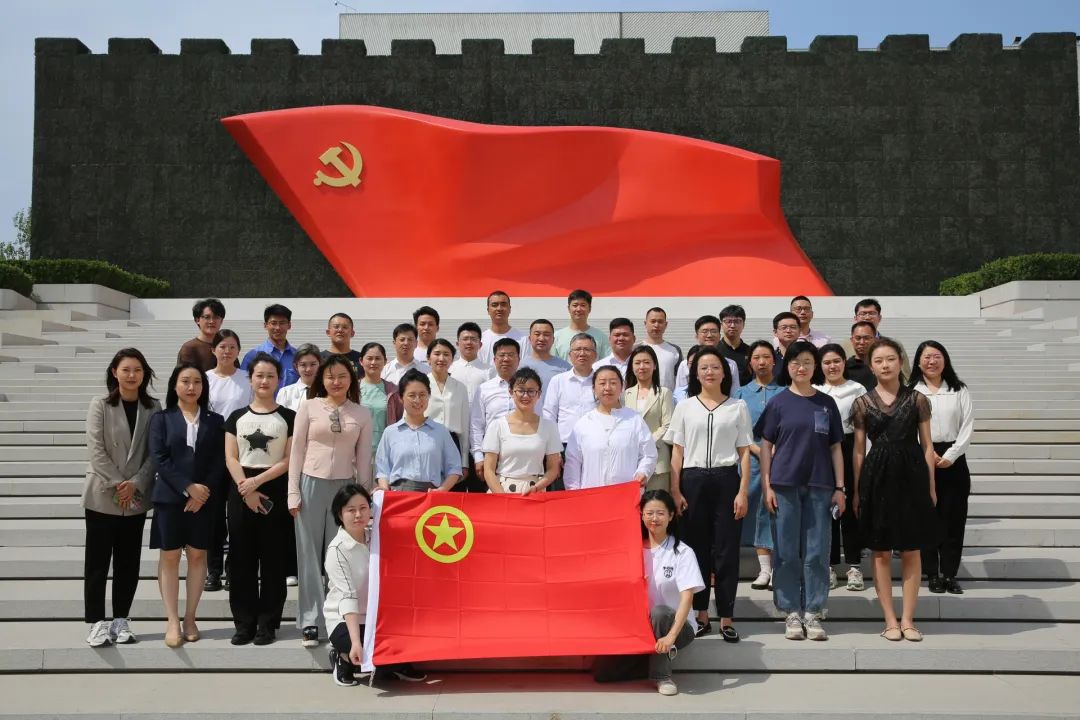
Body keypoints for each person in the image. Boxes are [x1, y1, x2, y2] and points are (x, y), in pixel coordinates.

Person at [756, 341, 844, 642]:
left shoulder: (826, 403)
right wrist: (767, 485)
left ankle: (814, 611)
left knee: (817, 552)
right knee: (786, 551)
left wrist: (840, 487)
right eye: (795, 362)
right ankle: (791, 610)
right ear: (788, 366)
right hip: (784, 485)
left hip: (820, 485)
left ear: (815, 366)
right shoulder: (778, 403)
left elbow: (835, 448)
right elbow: (766, 446)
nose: (801, 367)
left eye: (807, 361)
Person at [852, 338, 937, 642]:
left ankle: (908, 619)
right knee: (881, 551)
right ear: (871, 366)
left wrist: (931, 484)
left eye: (890, 359)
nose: (885, 365)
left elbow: (927, 446)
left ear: (901, 361)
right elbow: (858, 451)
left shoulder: (917, 400)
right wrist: (857, 490)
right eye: (878, 360)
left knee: (912, 549)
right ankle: (890, 620)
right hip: (877, 476)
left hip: (912, 475)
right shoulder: (862, 403)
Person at [665, 346, 751, 642]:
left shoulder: (737, 406)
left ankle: (726, 616)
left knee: (727, 550)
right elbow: (677, 453)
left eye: (715, 367)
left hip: (727, 480)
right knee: (696, 549)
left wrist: (742, 491)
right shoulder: (685, 407)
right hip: (693, 480)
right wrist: (676, 490)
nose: (710, 372)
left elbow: (744, 453)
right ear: (695, 374)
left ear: (724, 373)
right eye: (703, 368)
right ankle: (700, 615)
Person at [289, 355, 374, 648]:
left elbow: (364, 458)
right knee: (309, 554)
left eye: (342, 376)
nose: (336, 382)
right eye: (330, 376)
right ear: (321, 379)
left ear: (351, 380)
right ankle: (310, 620)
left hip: (344, 488)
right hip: (310, 483)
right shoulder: (309, 407)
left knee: (338, 553)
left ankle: (338, 618)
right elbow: (297, 450)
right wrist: (292, 491)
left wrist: (364, 499)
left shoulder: (361, 413)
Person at [591, 490, 704, 696]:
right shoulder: (631, 550)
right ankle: (653, 658)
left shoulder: (682, 552)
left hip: (676, 627)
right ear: (641, 515)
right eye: (649, 513)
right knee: (602, 672)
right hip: (640, 629)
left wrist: (670, 637)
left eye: (660, 513)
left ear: (671, 516)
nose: (654, 519)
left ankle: (662, 676)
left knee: (660, 612)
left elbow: (687, 598)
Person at [82, 348, 160, 647]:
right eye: (126, 369)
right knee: (98, 562)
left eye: (137, 370)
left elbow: (154, 452)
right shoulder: (100, 404)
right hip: (103, 494)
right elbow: (96, 449)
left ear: (144, 374)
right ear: (115, 372)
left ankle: (121, 620)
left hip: (135, 497)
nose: (131, 375)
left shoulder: (152, 407)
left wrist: (136, 483)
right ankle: (96, 622)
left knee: (128, 562)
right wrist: (118, 484)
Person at [148, 363, 225, 648]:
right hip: (169, 498)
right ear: (175, 385)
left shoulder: (215, 420)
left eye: (197, 382)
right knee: (169, 556)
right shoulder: (161, 419)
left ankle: (191, 617)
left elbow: (219, 460)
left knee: (197, 556)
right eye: (185, 381)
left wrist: (201, 492)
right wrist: (187, 487)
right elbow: (159, 457)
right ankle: (172, 619)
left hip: (204, 500)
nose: (191, 387)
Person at [224, 353, 295, 645]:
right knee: (241, 560)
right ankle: (244, 623)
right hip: (241, 489)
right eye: (259, 375)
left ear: (279, 380)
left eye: (270, 376)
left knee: (273, 561)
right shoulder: (236, 417)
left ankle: (268, 623)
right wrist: (247, 487)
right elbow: (230, 456)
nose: (264, 381)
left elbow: (289, 458)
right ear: (250, 379)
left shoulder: (289, 417)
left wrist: (258, 482)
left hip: (274, 488)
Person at [323, 484, 426, 686]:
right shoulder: (337, 550)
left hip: (378, 618)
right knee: (372, 651)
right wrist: (355, 643)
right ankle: (343, 658)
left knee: (397, 646)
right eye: (351, 510)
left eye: (363, 508)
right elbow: (348, 598)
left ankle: (391, 664)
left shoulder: (377, 537)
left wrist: (383, 496)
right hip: (345, 620)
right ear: (340, 514)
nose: (358, 515)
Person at [911, 340, 974, 596]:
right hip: (922, 456)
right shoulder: (912, 391)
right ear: (918, 362)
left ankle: (949, 574)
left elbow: (967, 425)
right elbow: (909, 427)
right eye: (926, 357)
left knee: (953, 519)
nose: (932, 361)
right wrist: (928, 452)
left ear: (944, 360)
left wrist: (951, 454)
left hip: (954, 459)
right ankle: (932, 574)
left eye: (936, 356)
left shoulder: (959, 389)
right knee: (927, 519)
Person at [814, 343, 868, 591]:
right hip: (821, 451)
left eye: (836, 361)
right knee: (826, 510)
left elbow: (862, 429)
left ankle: (854, 566)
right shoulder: (814, 389)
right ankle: (829, 565)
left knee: (850, 508)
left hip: (849, 448)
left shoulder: (857, 389)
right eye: (826, 362)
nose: (832, 366)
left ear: (844, 362)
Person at [731, 340, 783, 591]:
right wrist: (759, 450)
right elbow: (738, 431)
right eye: (756, 357)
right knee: (757, 511)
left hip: (781, 460)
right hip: (750, 460)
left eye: (766, 357)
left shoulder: (785, 392)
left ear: (774, 360)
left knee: (778, 510)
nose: (761, 362)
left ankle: (779, 568)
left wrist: (776, 451)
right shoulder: (740, 394)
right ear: (749, 362)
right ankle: (764, 569)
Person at [205, 329, 251, 593]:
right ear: (213, 350)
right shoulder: (205, 379)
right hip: (212, 455)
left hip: (242, 455)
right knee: (213, 517)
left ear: (238, 351)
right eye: (222, 346)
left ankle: (235, 568)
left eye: (232, 347)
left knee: (237, 516)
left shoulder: (247, 378)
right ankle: (213, 570)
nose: (227, 351)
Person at [564, 366, 657, 490]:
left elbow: (648, 454)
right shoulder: (583, 424)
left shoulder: (634, 420)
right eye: (602, 383)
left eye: (613, 383)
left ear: (622, 387)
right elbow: (573, 463)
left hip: (626, 493)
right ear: (593, 388)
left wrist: (643, 472)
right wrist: (574, 492)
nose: (607, 388)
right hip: (591, 494)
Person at [376, 370, 463, 492]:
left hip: (431, 495)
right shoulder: (390, 432)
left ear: (428, 396)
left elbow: (454, 468)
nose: (417, 400)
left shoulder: (441, 431)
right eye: (412, 395)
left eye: (422, 395)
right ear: (401, 398)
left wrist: (442, 490)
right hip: (399, 495)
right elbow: (382, 470)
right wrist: (385, 490)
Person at [481, 367, 563, 494]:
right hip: (501, 491)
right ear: (511, 392)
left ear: (539, 394)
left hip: (535, 491)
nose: (525, 396)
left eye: (531, 391)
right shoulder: (497, 425)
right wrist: (503, 497)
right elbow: (489, 470)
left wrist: (536, 488)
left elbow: (553, 469)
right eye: (521, 390)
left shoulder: (549, 427)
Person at [622, 346, 674, 492]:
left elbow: (668, 425)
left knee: (657, 502)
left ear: (654, 366)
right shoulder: (625, 394)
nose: (642, 366)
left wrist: (647, 443)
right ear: (632, 367)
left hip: (659, 460)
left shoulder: (664, 393)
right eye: (637, 363)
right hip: (631, 461)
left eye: (646, 362)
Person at [469, 338, 520, 487]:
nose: (506, 359)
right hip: (492, 454)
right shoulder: (484, 389)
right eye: (501, 355)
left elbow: (539, 418)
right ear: (494, 360)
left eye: (511, 355)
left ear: (518, 359)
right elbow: (476, 425)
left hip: (522, 453)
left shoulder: (528, 388)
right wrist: (478, 457)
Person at [542, 333, 598, 447]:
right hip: (564, 443)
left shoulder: (601, 381)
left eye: (587, 349)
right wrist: (552, 445)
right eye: (577, 349)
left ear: (595, 355)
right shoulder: (558, 380)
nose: (582, 353)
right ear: (570, 355)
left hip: (595, 442)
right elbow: (549, 414)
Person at [426, 338, 471, 474]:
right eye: (437, 354)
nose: (441, 358)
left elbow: (464, 426)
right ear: (428, 358)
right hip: (426, 441)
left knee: (452, 484)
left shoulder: (460, 387)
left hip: (452, 443)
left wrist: (464, 461)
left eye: (446, 354)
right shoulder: (420, 384)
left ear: (452, 360)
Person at [356, 342, 404, 467]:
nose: (373, 362)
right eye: (369, 358)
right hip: (356, 453)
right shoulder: (352, 389)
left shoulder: (393, 391)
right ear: (361, 361)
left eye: (378, 358)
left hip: (384, 453)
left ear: (385, 361)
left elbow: (400, 420)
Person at [840, 299, 910, 378]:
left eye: (872, 313)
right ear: (855, 318)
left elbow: (906, 375)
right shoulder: (844, 345)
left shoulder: (894, 345)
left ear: (879, 318)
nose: (867, 317)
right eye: (863, 314)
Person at [674, 316, 740, 394]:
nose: (709, 335)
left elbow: (735, 393)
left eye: (713, 331)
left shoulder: (730, 364)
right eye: (704, 331)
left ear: (719, 336)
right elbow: (680, 393)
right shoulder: (685, 364)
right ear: (696, 336)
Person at [241, 304, 298, 389]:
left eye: (282, 323)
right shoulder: (252, 356)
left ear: (289, 325)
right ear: (265, 325)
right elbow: (243, 385)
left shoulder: (297, 356)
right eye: (273, 323)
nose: (278, 327)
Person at [519, 318, 571, 405]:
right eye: (537, 334)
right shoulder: (519, 366)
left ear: (553, 339)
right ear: (529, 338)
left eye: (546, 335)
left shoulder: (565, 368)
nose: (541, 338)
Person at [553, 289, 610, 360]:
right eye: (575, 305)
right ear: (568, 308)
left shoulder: (601, 337)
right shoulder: (556, 337)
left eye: (583, 305)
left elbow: (606, 363)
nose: (579, 309)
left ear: (589, 309)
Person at [641, 307, 682, 391]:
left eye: (660, 322)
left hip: (668, 397)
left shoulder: (675, 350)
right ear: (645, 323)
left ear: (665, 325)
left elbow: (680, 378)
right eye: (653, 321)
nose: (656, 325)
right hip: (642, 397)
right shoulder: (636, 349)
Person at [177, 298, 225, 370]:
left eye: (216, 317)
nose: (211, 321)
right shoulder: (189, 348)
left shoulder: (227, 346)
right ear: (197, 320)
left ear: (221, 321)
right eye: (207, 317)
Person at [449, 321, 494, 397]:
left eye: (473, 339)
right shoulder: (449, 369)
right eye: (465, 339)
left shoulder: (489, 371)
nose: (469, 342)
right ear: (457, 344)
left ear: (480, 345)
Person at [277, 344, 322, 411]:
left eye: (313, 364)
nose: (308, 369)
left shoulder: (327, 391)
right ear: (296, 366)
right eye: (303, 365)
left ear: (319, 364)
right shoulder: (285, 393)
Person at [718, 304, 751, 386]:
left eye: (737, 321)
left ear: (743, 324)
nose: (732, 325)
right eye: (728, 321)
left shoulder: (751, 351)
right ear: (721, 325)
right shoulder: (714, 351)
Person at [845, 321, 878, 391]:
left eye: (867, 338)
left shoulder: (882, 366)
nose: (862, 342)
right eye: (858, 338)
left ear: (875, 340)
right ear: (852, 340)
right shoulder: (845, 369)